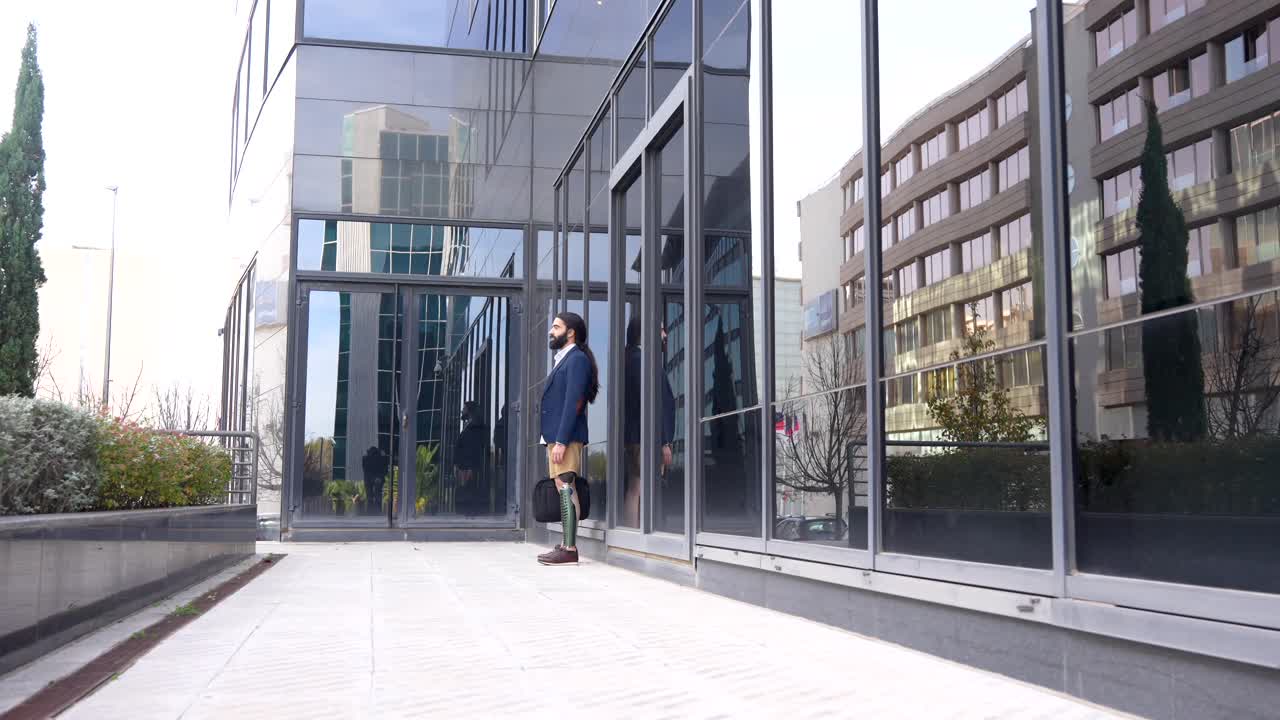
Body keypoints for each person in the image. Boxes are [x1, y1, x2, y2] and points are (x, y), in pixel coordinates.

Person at [537, 311, 600, 566]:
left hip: (567, 436)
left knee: (565, 485)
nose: (551, 331)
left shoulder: (576, 360)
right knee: (563, 485)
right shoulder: (565, 359)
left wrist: (562, 440)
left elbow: (575, 401)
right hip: (556, 435)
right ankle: (566, 543)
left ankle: (570, 548)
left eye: (556, 327)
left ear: (570, 332)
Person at [623, 315, 676, 528]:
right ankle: (637, 535)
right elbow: (650, 404)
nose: (664, 334)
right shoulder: (640, 361)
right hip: (645, 438)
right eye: (660, 330)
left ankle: (634, 535)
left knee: (637, 487)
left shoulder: (636, 359)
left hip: (640, 436)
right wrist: (663, 442)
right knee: (640, 488)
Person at [453, 401, 489, 516]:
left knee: (468, 491)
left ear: (470, 411)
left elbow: (473, 449)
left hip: (467, 467)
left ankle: (469, 513)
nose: (462, 411)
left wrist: (469, 468)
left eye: (464, 409)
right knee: (465, 491)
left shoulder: (475, 428)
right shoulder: (470, 426)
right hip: (464, 467)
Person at [360, 446, 388, 517]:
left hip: (368, 477)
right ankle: (377, 511)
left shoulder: (365, 458)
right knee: (377, 494)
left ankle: (370, 511)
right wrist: (380, 476)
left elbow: (364, 469)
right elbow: (385, 469)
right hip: (377, 477)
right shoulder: (381, 458)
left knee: (369, 495)